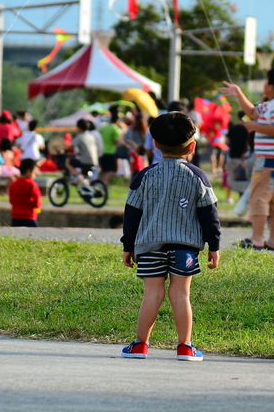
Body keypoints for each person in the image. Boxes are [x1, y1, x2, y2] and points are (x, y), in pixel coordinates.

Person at [120, 113, 221, 362]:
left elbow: (131, 213)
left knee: (152, 294)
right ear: (192, 147)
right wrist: (214, 245)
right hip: (185, 248)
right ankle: (185, 347)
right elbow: (209, 214)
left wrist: (128, 245)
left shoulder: (144, 176)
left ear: (155, 144)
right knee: (181, 294)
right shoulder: (197, 176)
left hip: (149, 246)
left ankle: (140, 345)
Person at [223, 67, 274, 252]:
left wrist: (253, 126)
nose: (264, 84)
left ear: (272, 86)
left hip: (268, 160)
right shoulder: (272, 104)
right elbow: (253, 112)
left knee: (258, 197)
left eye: (266, 81)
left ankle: (257, 239)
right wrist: (238, 94)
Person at [9, 158, 42, 227]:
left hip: (15, 216)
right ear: (29, 171)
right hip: (29, 216)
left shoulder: (13, 184)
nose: (35, 175)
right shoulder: (32, 184)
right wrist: (37, 207)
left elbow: (11, 200)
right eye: (34, 172)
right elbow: (37, 199)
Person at [98, 113, 124, 186]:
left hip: (101, 151)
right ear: (117, 121)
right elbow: (115, 141)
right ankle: (104, 184)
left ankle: (100, 185)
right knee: (112, 170)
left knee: (104, 170)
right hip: (110, 151)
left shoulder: (103, 128)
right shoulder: (115, 128)